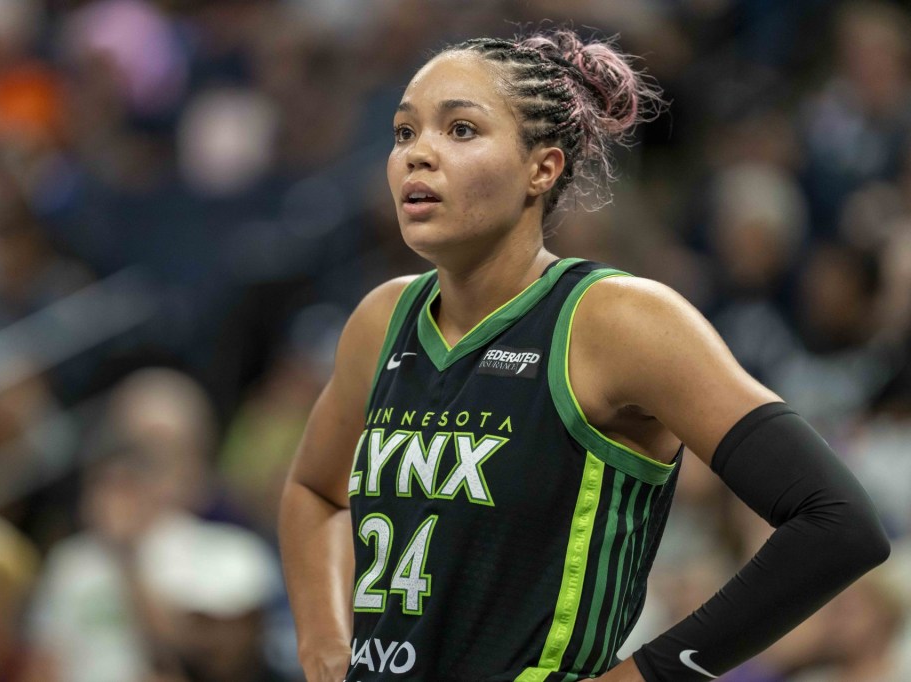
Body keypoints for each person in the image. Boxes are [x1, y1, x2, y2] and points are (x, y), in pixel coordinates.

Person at [278, 27, 890, 682]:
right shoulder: (381, 320)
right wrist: (322, 648)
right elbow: (314, 490)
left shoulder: (619, 321)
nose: (417, 155)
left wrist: (650, 675)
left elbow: (838, 522)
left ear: (541, 167)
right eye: (404, 132)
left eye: (460, 130)